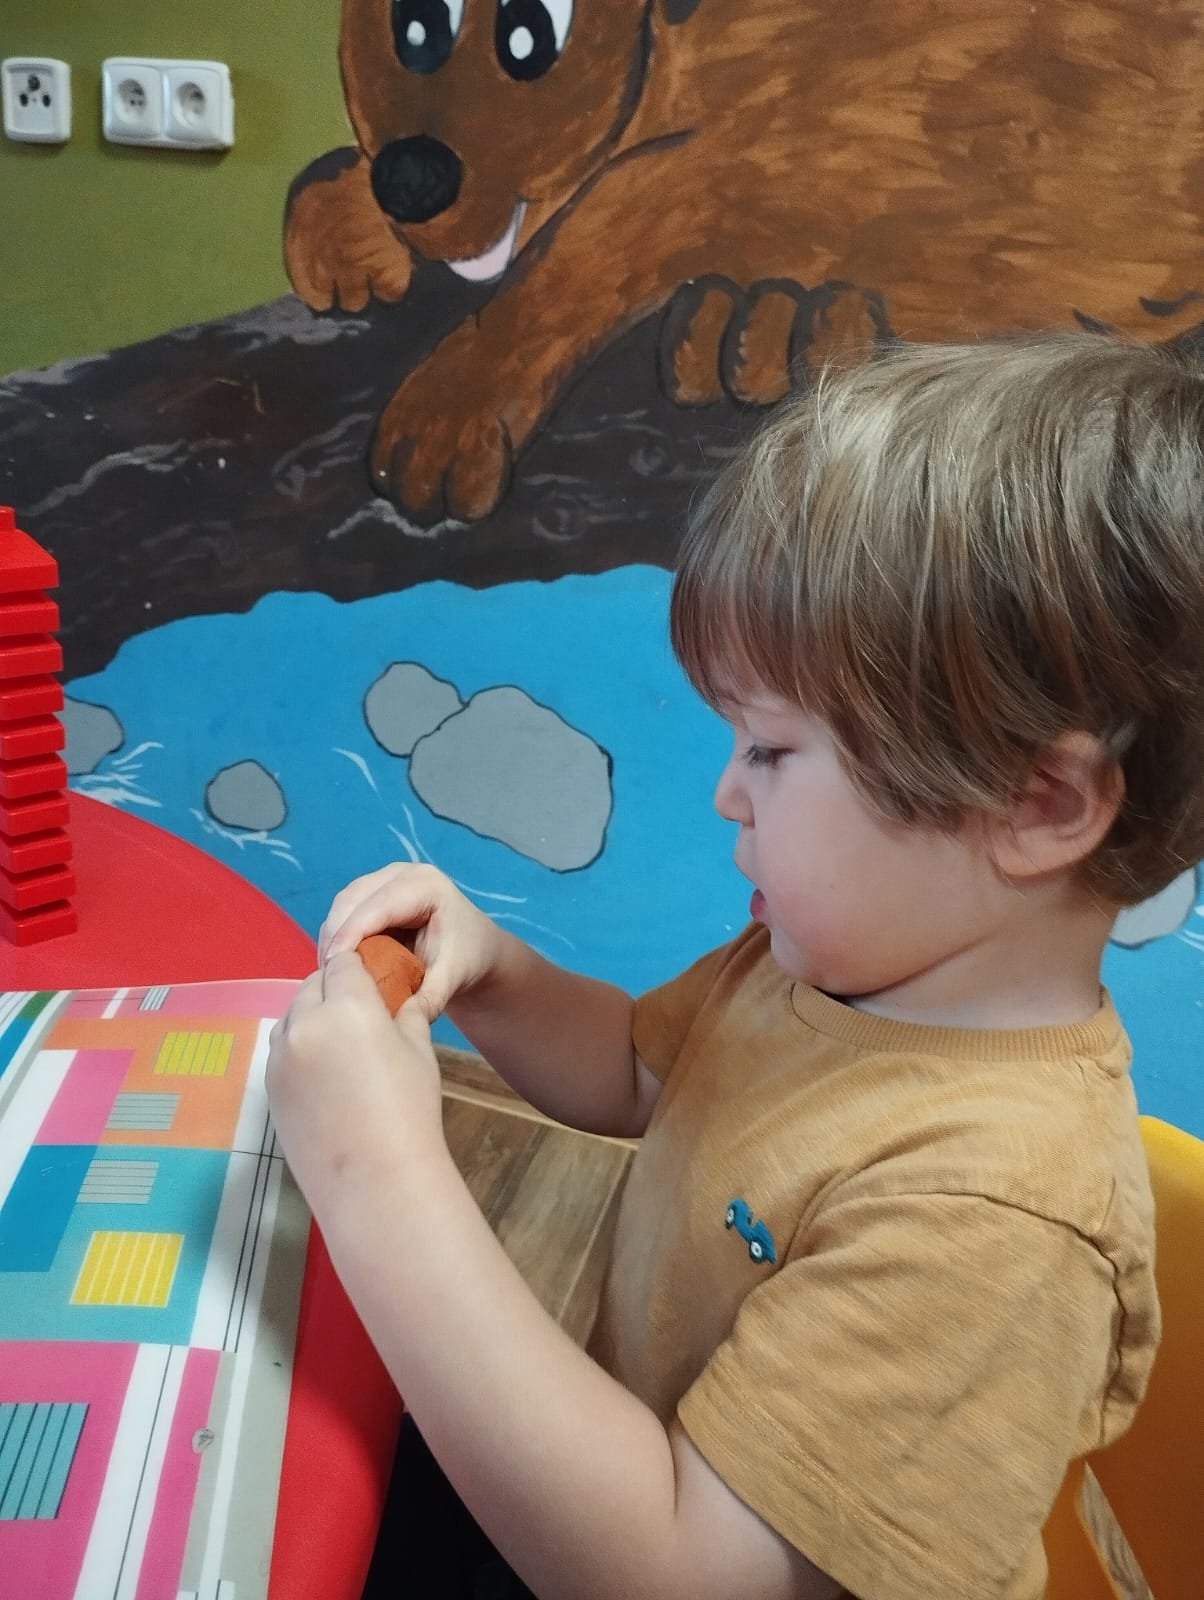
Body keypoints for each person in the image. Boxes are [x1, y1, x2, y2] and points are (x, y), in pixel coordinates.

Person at [265, 332, 1204, 1600]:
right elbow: (642, 1074)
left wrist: (371, 1170)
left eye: (769, 749)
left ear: (1036, 805)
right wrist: (494, 975)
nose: (724, 792)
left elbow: (680, 1574)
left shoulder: (992, 1223)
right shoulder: (838, 968)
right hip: (612, 1479)